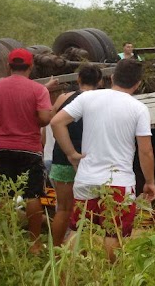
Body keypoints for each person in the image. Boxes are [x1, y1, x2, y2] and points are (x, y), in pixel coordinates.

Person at [51, 59, 155, 262]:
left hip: (86, 179)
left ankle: (67, 274)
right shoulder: (138, 108)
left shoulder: (88, 98)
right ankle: (111, 276)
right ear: (137, 84)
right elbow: (146, 151)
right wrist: (150, 182)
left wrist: (71, 153)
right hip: (119, 183)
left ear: (112, 77)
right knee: (113, 232)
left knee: (77, 229)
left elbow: (56, 122)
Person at [0, 48, 57, 253]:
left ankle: (5, 241)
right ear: (31, 66)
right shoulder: (38, 90)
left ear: (8, 66)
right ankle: (34, 243)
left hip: (2, 148)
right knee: (33, 195)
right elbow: (44, 119)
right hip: (30, 149)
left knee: (4, 195)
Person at [49, 65, 102, 247]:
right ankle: (87, 249)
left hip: (63, 158)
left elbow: (52, 119)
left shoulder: (64, 97)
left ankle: (56, 250)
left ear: (78, 79)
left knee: (63, 209)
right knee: (91, 209)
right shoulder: (101, 101)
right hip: (90, 161)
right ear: (100, 82)